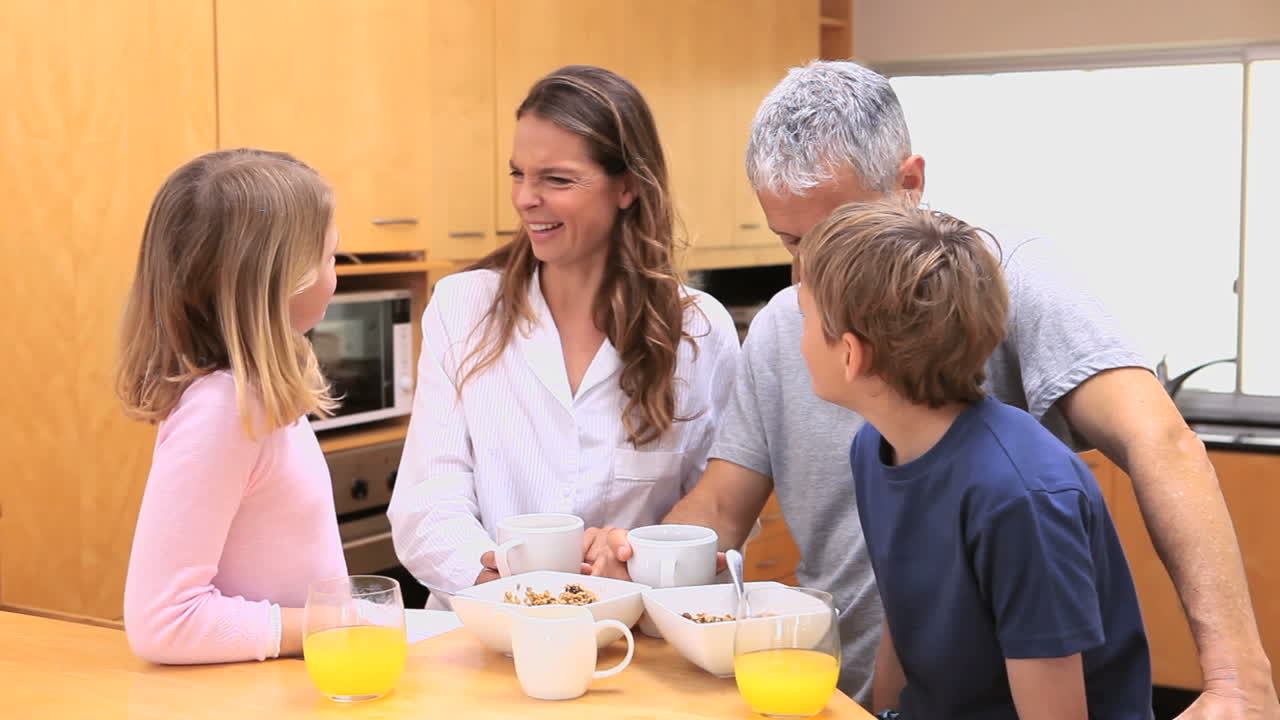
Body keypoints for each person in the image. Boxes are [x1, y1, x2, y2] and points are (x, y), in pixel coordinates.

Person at [590, 60, 1277, 717]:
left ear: (909, 179)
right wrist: (634, 563)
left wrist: (1236, 681)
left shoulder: (1010, 284)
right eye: (790, 242)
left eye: (835, 235)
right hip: (851, 694)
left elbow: (1159, 442)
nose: (807, 278)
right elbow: (724, 503)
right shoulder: (794, 336)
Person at [388, 65, 739, 608]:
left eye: (556, 179)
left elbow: (713, 513)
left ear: (627, 188)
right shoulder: (464, 309)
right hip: (483, 636)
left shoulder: (697, 330)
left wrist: (634, 555)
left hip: (632, 642)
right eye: (517, 174)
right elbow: (427, 502)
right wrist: (513, 591)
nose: (526, 198)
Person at [799, 198, 1151, 719]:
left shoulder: (1020, 497)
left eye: (803, 319)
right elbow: (904, 622)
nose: (798, 339)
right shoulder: (874, 450)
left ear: (851, 355)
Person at [117, 148, 347, 663]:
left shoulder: (256, 398)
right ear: (281, 281)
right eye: (331, 257)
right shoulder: (224, 409)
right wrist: (336, 622)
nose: (337, 274)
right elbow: (163, 622)